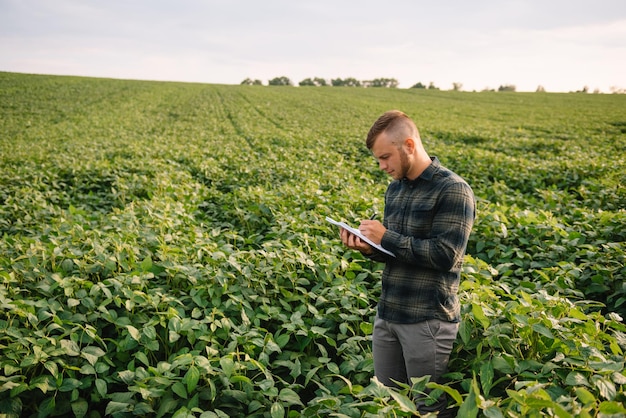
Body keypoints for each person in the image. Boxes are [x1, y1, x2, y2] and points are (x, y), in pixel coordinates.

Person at [339, 110, 475, 416]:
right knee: (388, 403)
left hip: (427, 320)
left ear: (409, 145)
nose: (382, 166)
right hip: (389, 313)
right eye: (378, 159)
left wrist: (386, 237)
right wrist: (369, 248)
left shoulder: (453, 189)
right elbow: (399, 253)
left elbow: (446, 255)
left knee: (427, 408)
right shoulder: (396, 189)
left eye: (386, 157)